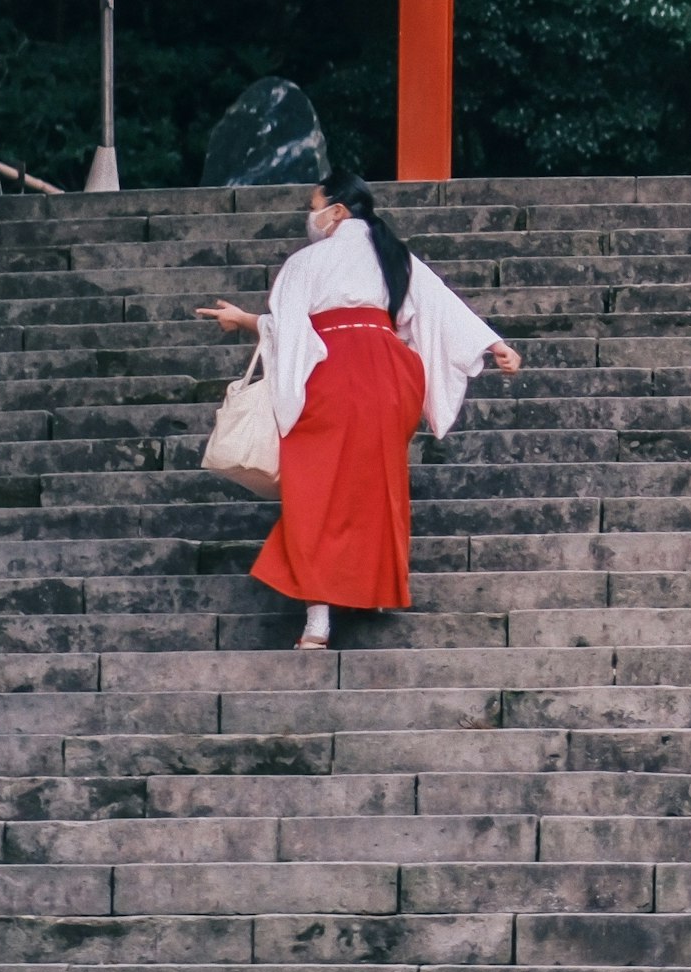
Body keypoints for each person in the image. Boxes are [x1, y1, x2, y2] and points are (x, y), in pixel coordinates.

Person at [198, 171, 519, 650]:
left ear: (338, 211)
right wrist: (494, 344)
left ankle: (318, 620)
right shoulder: (394, 258)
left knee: (318, 492)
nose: (312, 216)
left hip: (332, 373)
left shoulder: (309, 260)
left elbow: (293, 330)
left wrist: (245, 321)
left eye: (315, 205)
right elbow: (440, 307)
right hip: (390, 377)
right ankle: (367, 590)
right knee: (375, 486)